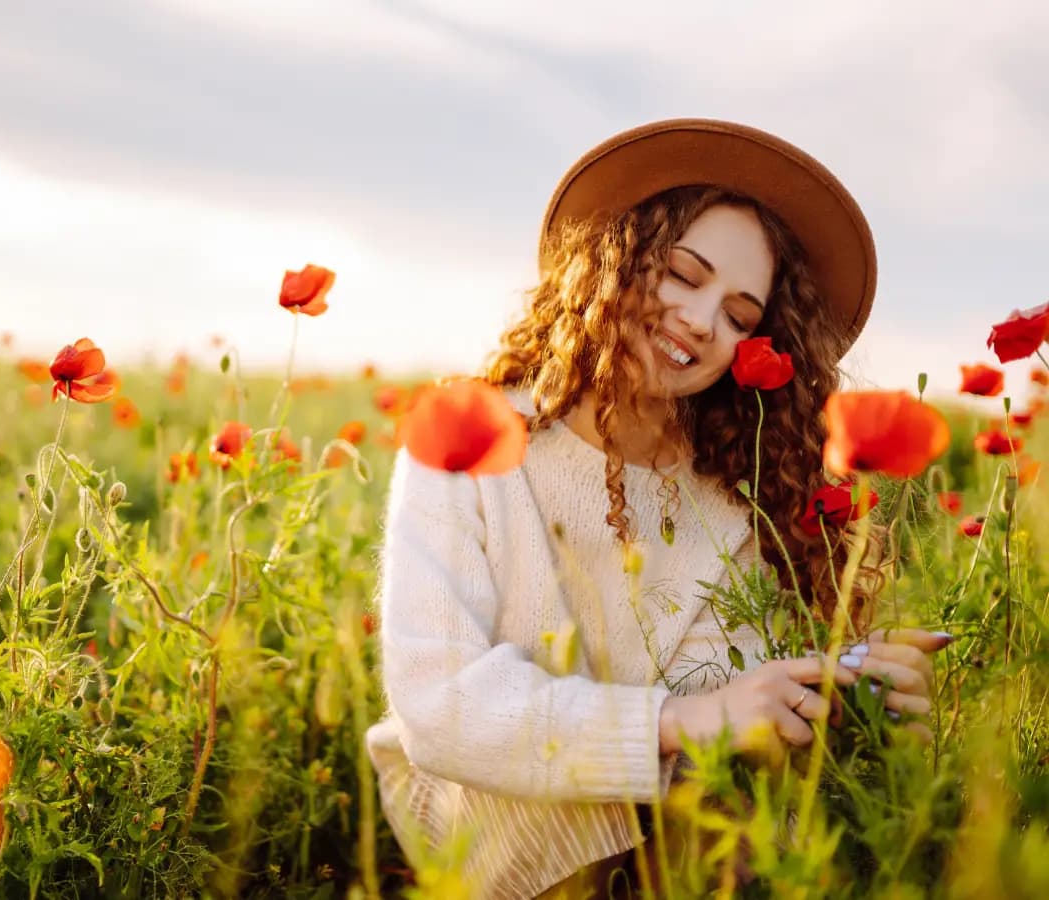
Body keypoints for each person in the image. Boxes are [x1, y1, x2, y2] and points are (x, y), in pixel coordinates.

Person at [365, 119, 949, 899]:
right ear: (616, 257)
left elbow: (739, 711)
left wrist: (845, 691)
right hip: (490, 834)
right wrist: (681, 723)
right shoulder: (468, 441)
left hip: (676, 836)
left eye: (741, 314)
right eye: (681, 272)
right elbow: (441, 707)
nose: (703, 321)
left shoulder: (743, 493)